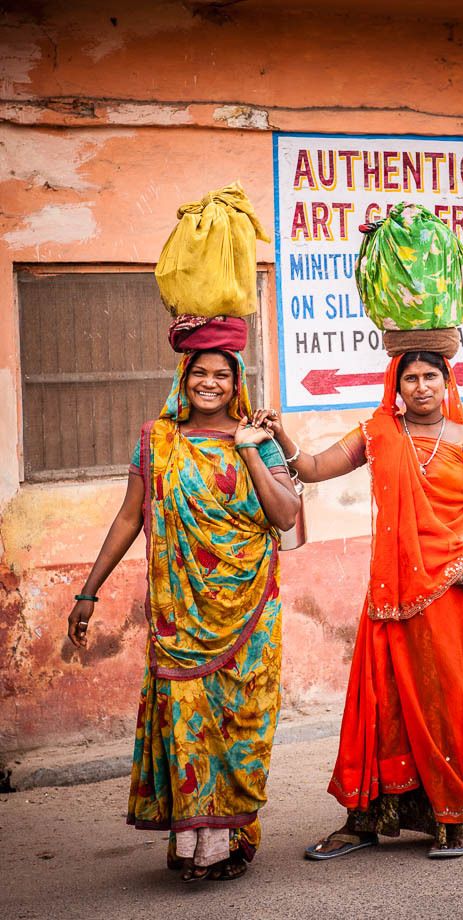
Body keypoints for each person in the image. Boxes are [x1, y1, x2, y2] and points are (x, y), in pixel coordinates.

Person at [254, 349, 463, 859]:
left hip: (449, 597)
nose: (420, 387)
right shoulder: (377, 434)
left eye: (429, 377)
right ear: (396, 387)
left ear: (447, 382)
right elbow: (311, 468)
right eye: (409, 378)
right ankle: (366, 818)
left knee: (446, 704)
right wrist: (280, 435)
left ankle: (451, 818)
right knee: (381, 705)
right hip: (388, 598)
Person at [67, 316, 299, 882]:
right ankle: (198, 845)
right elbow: (129, 516)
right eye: (201, 372)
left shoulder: (259, 437)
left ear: (237, 380)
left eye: (223, 374)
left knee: (240, 723)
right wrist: (88, 591)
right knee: (188, 722)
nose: (211, 383)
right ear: (184, 376)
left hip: (249, 612)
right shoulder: (158, 439)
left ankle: (228, 843)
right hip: (179, 617)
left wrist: (248, 450)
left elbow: (286, 514)